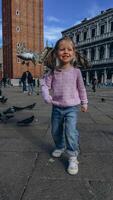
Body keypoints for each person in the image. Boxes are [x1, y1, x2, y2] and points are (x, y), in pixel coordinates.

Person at [40, 36, 88, 175]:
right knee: (55, 130)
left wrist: (84, 102)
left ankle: (73, 155)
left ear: (73, 52)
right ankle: (60, 146)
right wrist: (46, 95)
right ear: (56, 53)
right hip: (56, 107)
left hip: (72, 108)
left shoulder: (76, 71)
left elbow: (82, 88)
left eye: (69, 49)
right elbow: (44, 85)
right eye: (62, 49)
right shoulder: (52, 72)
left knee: (70, 131)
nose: (65, 52)